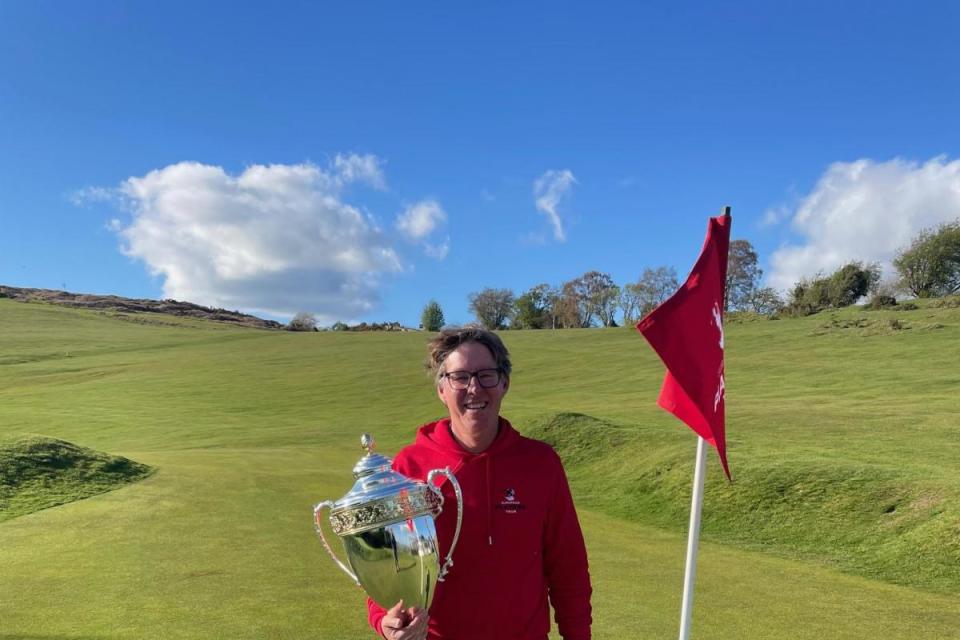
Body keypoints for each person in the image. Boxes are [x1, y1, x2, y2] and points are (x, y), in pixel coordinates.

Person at [366, 325, 592, 640]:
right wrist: (384, 619)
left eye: (486, 374)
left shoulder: (541, 463)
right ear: (441, 390)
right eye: (460, 377)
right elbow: (383, 567)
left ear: (504, 383)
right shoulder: (409, 466)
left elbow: (568, 567)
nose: (474, 389)